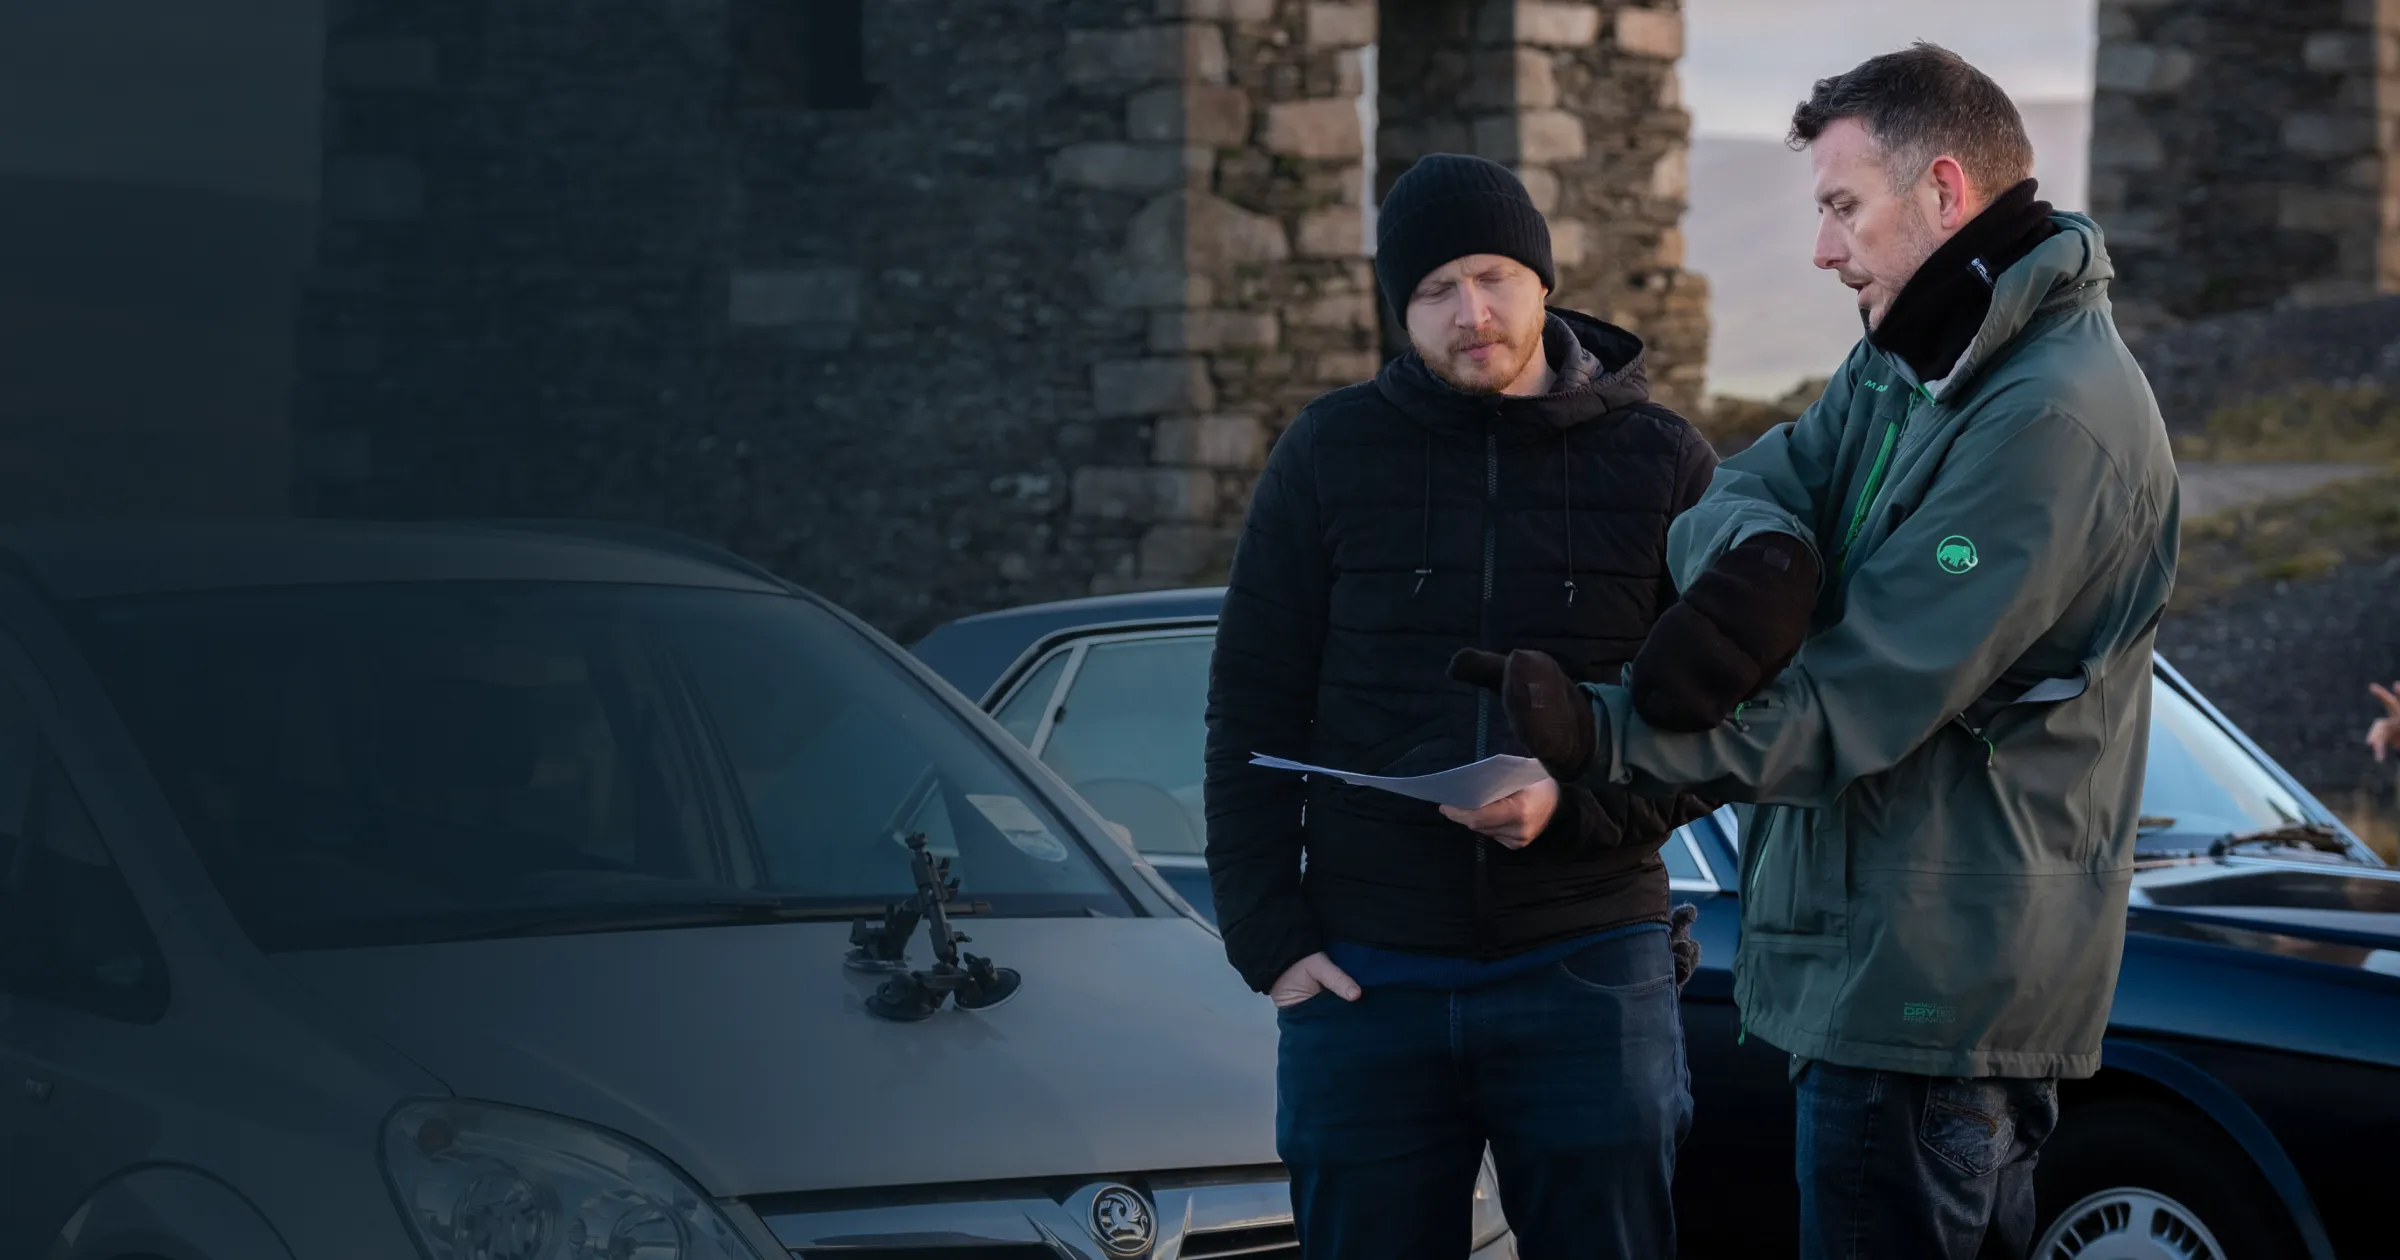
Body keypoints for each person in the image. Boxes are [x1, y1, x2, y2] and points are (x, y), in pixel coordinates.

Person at [1448, 45, 2180, 1260]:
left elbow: (1860, 696)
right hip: (1878, 978)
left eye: (1844, 207)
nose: (1822, 250)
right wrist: (1763, 562)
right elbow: (1753, 478)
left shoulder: (2051, 416)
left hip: (1927, 1003)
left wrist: (1608, 733)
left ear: (1945, 191)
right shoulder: (1919, 357)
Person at [1202, 153, 1718, 1259]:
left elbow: (1720, 723)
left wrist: (1570, 806)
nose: (1470, 312)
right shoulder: (1329, 452)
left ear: (1544, 279)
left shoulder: (1663, 463)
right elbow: (1249, 712)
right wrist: (1271, 944)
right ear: (1402, 309)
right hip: (1366, 975)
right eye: (1435, 290)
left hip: (1590, 963)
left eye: (1493, 276)